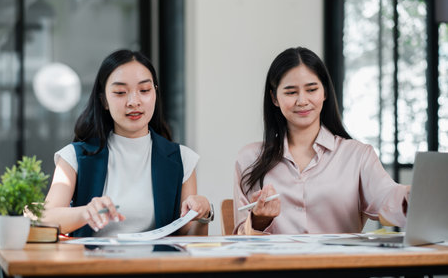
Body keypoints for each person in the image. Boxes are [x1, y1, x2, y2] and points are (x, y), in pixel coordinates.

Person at [234, 46, 410, 235]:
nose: (302, 100)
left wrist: (412, 194)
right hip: (274, 264)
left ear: (324, 92)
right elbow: (240, 238)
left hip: (339, 262)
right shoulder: (250, 158)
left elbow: (386, 198)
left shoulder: (357, 155)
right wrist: (259, 221)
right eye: (291, 92)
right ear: (274, 98)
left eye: (311, 89)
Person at [43, 49, 213, 237]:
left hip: (157, 266)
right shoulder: (74, 157)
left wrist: (203, 215)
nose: (134, 102)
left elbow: (187, 241)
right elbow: (46, 218)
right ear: (104, 101)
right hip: (94, 265)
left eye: (145, 90)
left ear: (155, 94)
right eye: (120, 92)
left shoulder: (182, 159)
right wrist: (85, 212)